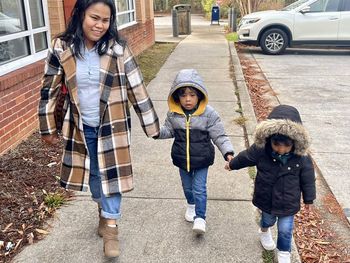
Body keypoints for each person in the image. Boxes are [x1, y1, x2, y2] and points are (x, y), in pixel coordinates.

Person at [38, 0, 159, 258]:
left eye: (105, 20)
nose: (100, 25)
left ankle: (112, 227)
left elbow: (135, 86)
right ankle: (103, 213)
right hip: (80, 128)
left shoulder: (117, 48)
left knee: (111, 177)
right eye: (95, 18)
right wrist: (47, 128)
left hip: (112, 126)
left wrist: (151, 125)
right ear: (80, 14)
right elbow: (48, 90)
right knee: (94, 177)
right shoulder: (62, 47)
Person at [225, 105, 316, 263]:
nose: (281, 150)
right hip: (266, 197)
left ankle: (284, 252)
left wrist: (309, 199)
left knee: (285, 229)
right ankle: (264, 230)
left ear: (295, 142)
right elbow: (246, 157)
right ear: (269, 139)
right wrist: (232, 164)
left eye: (286, 146)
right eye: (277, 144)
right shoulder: (261, 150)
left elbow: (307, 178)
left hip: (288, 201)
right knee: (268, 220)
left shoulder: (301, 158)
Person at [155, 69, 234, 234]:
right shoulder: (173, 114)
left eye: (192, 94)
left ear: (199, 95)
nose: (188, 99)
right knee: (187, 187)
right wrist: (156, 132)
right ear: (177, 97)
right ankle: (191, 204)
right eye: (183, 95)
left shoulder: (209, 114)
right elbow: (168, 131)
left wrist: (227, 152)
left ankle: (200, 218)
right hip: (181, 158)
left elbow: (219, 135)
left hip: (202, 160)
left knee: (199, 188)